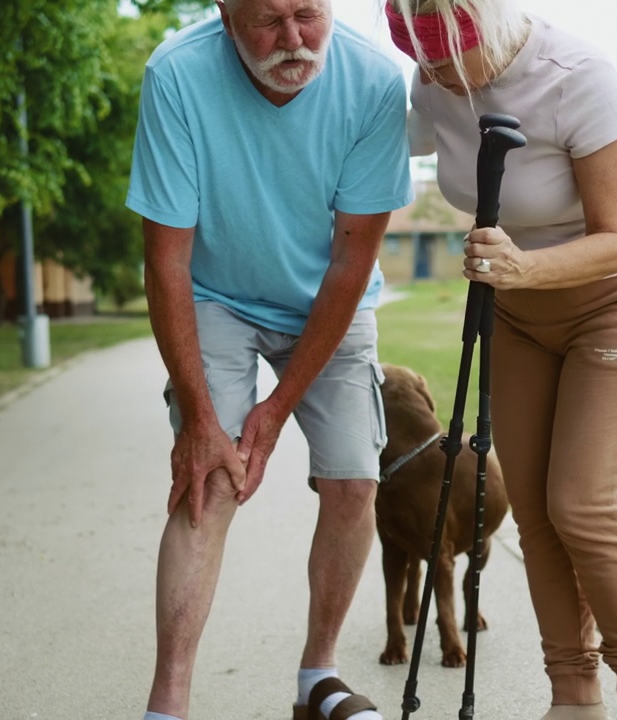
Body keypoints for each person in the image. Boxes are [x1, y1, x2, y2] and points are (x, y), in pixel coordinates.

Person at [383, 2, 617, 719]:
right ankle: (573, 694)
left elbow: (616, 236)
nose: (442, 82)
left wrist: (519, 269)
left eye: (454, 63)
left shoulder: (578, 75)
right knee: (532, 515)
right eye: (425, 64)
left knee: (582, 503)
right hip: (519, 308)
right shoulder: (434, 78)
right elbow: (384, 140)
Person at [124, 0, 413, 718]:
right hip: (216, 296)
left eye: (307, 15)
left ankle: (318, 677)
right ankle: (169, 701)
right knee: (210, 477)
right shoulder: (177, 76)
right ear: (226, 15)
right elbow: (166, 261)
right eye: (267, 21)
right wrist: (199, 419)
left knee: (353, 479)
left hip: (328, 299)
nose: (292, 40)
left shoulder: (376, 82)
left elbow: (352, 262)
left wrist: (278, 408)